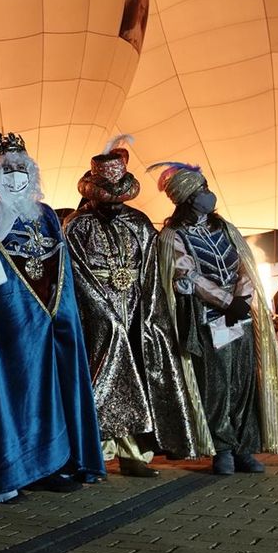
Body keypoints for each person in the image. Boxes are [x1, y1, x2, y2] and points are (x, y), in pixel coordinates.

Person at [0, 132, 104, 505]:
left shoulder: (44, 214)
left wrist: (63, 315)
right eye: (8, 169)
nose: (15, 176)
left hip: (49, 322)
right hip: (7, 324)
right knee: (16, 394)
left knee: (53, 390)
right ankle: (17, 468)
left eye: (22, 168)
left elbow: (61, 268)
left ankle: (54, 463)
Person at [150, 161, 278, 474]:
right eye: (200, 190)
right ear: (187, 197)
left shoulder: (226, 229)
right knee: (217, 387)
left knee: (244, 383)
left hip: (240, 319)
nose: (207, 194)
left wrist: (243, 299)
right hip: (209, 322)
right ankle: (222, 450)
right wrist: (225, 300)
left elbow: (244, 266)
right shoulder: (172, 236)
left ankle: (245, 448)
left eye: (206, 187)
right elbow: (186, 275)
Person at [63, 138, 204, 476]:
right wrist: (105, 316)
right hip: (96, 320)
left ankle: (134, 454)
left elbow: (152, 272)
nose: (114, 205)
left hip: (137, 314)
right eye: (106, 198)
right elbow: (76, 275)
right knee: (102, 379)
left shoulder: (140, 223)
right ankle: (92, 453)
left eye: (119, 198)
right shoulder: (77, 226)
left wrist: (151, 314)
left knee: (139, 379)